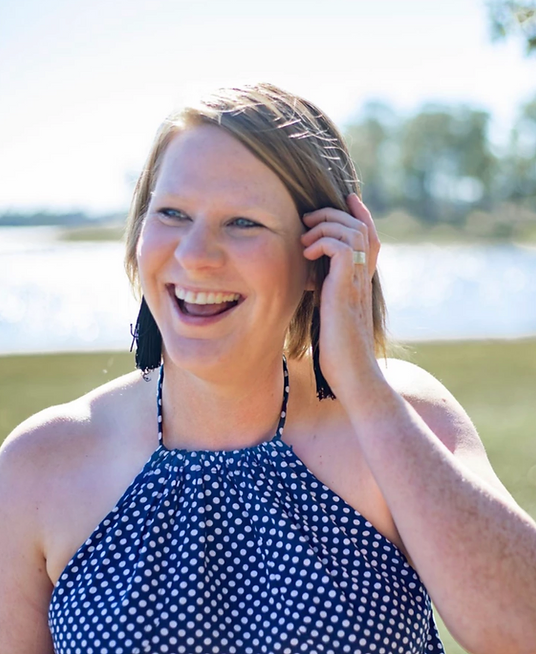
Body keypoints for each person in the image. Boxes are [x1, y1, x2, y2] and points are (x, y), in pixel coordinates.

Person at [1, 82, 535, 654]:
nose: (195, 255)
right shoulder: (38, 467)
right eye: (173, 213)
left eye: (243, 223)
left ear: (319, 256)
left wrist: (360, 382)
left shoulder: (404, 419)